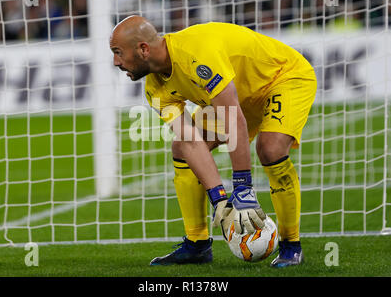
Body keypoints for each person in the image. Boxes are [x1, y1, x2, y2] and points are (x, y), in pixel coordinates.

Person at [109, 16, 317, 268]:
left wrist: (243, 188)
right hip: (239, 96)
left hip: (282, 78)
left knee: (270, 149)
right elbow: (189, 140)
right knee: (181, 148)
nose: (115, 62)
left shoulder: (195, 55)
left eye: (118, 53)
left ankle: (291, 246)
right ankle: (197, 245)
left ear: (143, 49)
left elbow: (233, 119)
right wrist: (220, 200)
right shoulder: (154, 90)